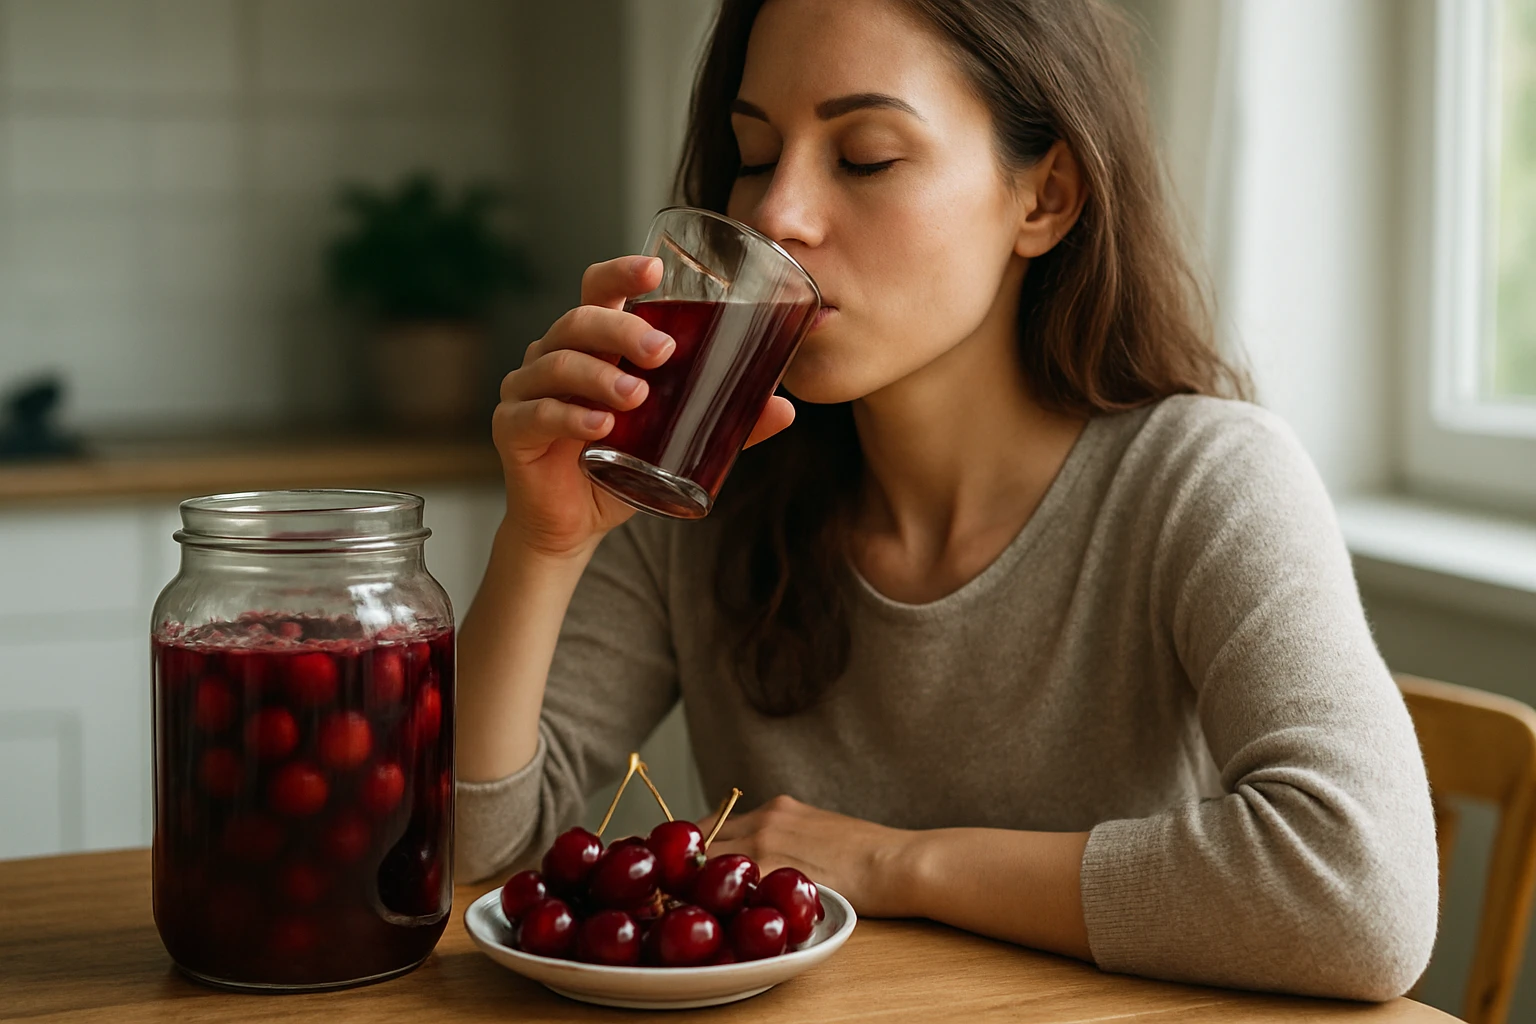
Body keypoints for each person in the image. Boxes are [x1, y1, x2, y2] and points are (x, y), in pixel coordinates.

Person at [454, 0, 1438, 1000]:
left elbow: (1361, 897)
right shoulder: (708, 475)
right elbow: (469, 848)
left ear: (1044, 199)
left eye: (867, 156)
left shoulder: (1203, 479)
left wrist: (896, 863)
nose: (775, 215)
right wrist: (542, 544)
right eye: (753, 154)